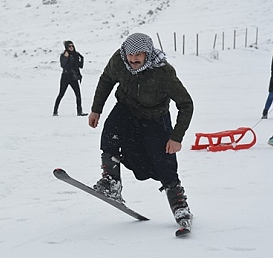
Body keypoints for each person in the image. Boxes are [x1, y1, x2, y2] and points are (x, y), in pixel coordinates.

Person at [88, 33, 194, 227]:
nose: (133, 59)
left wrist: (176, 137)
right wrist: (96, 109)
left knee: (164, 161)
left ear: (147, 53)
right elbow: (106, 80)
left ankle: (179, 205)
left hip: (155, 118)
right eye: (130, 54)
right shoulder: (119, 61)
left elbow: (186, 104)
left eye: (138, 54)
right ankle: (111, 182)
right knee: (110, 132)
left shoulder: (163, 72)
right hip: (127, 109)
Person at [53, 40, 87, 116]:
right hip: (65, 77)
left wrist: (81, 58)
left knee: (78, 94)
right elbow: (63, 65)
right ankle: (55, 111)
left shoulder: (76, 54)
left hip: (73, 77)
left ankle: (79, 111)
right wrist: (66, 57)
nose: (71, 47)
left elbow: (80, 66)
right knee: (61, 94)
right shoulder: (64, 55)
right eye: (69, 46)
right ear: (66, 47)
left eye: (72, 46)